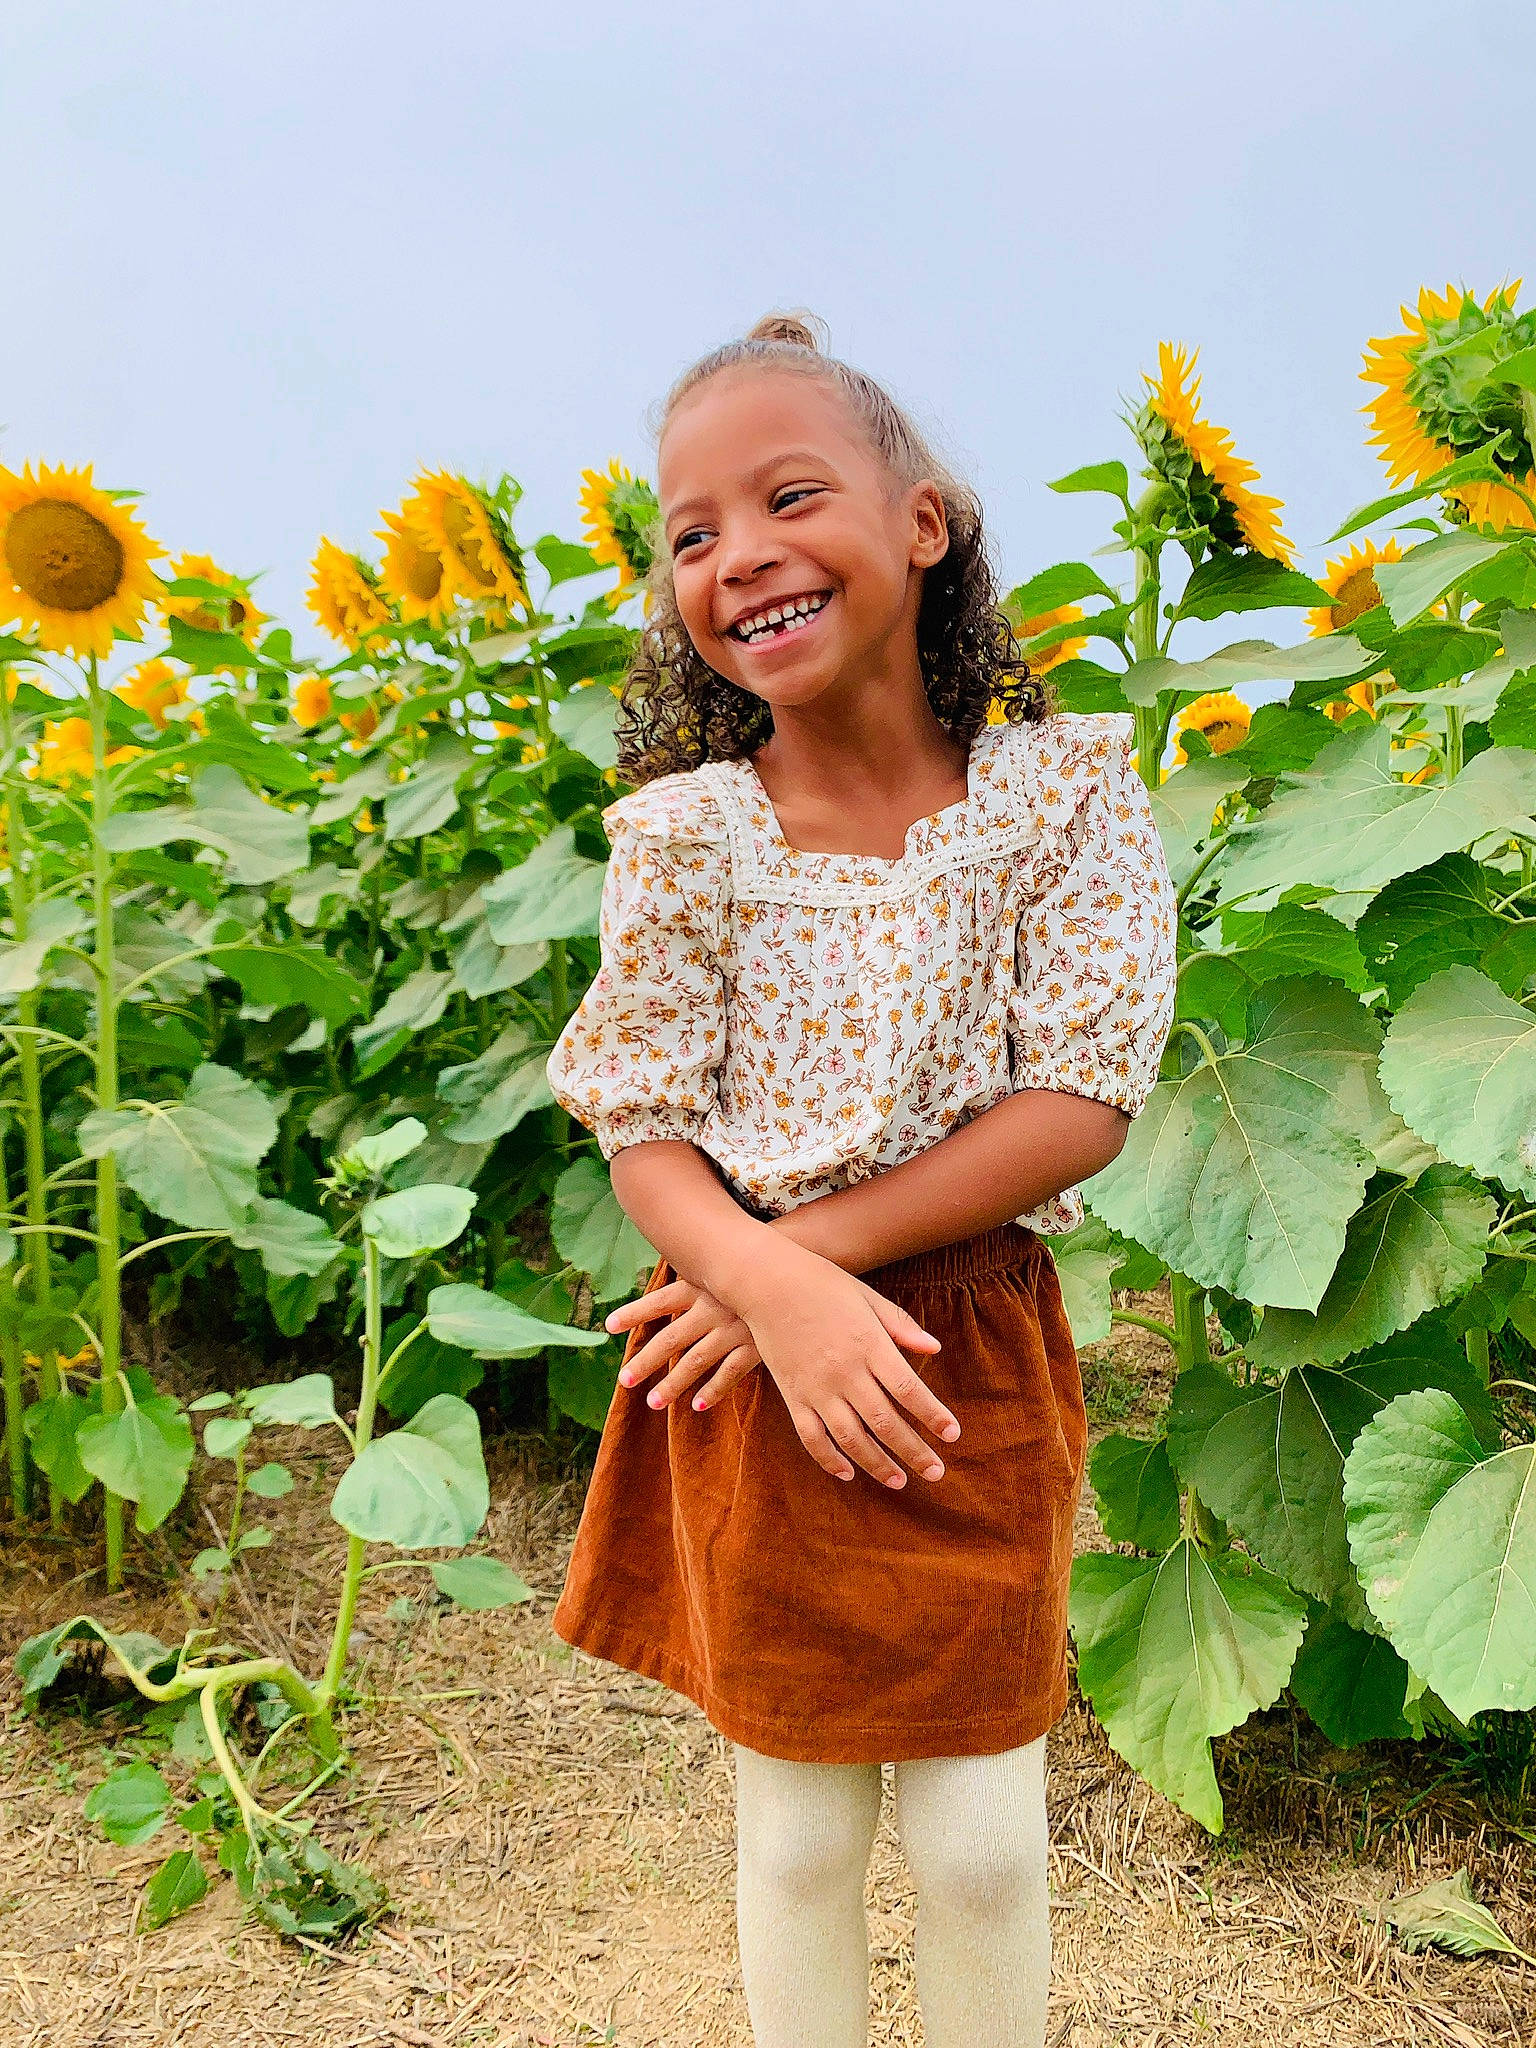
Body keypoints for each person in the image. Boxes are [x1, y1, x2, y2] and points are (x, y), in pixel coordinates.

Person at [544, 310, 1177, 2048]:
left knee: (982, 1849)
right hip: (748, 1365)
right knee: (801, 1836)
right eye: (689, 535)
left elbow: (1083, 1098)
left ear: (925, 521)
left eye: (789, 495)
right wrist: (764, 1292)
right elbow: (643, 1121)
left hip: (955, 1352)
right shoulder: (688, 835)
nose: (738, 554)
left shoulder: (1064, 798)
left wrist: (794, 1267)